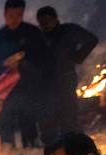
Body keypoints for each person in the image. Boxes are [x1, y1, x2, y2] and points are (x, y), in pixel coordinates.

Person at [0, 0, 47, 149]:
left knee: (29, 125)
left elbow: (44, 58)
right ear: (5, 14)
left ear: (22, 13)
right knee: (6, 128)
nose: (14, 19)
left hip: (28, 88)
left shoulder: (33, 33)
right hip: (5, 92)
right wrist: (2, 64)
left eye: (18, 14)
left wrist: (23, 62)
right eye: (11, 15)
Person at [36, 6, 99, 144]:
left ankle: (75, 148)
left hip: (65, 80)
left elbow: (92, 39)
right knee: (48, 122)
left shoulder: (68, 30)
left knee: (69, 118)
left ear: (54, 19)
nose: (44, 24)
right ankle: (52, 151)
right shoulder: (39, 36)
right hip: (45, 85)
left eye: (47, 20)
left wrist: (78, 56)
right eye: (41, 22)